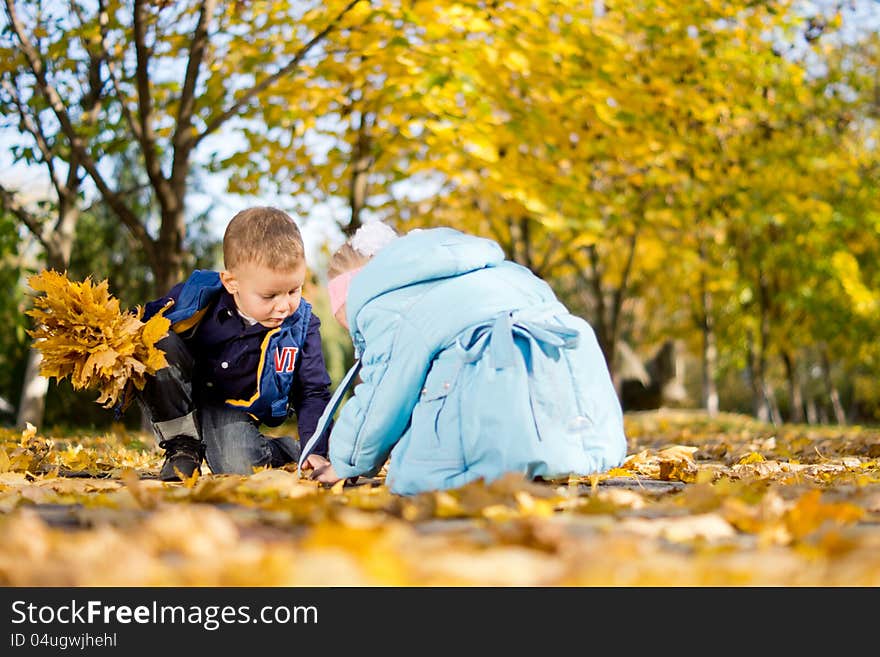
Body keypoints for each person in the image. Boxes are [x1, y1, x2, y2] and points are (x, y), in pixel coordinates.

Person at [304, 223, 628, 495]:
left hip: (502, 439)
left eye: (349, 322)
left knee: (413, 468)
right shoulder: (488, 271)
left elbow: (383, 394)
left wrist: (346, 460)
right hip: (587, 432)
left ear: (357, 296)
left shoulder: (387, 303)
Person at [135, 206, 333, 481]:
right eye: (270, 295)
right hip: (186, 391)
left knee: (238, 465)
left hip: (232, 405)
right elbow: (142, 325)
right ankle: (183, 445)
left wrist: (315, 449)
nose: (284, 305)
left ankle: (285, 449)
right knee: (154, 340)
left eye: (293, 290)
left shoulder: (302, 325)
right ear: (231, 283)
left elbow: (313, 392)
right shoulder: (194, 300)